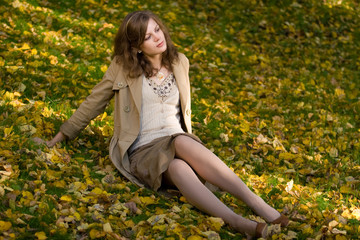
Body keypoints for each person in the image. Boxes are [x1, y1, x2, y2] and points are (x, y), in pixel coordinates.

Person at [45, 10, 289, 238]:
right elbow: (92, 104)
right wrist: (61, 136)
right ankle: (238, 222)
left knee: (181, 162)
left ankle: (256, 205)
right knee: (180, 148)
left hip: (179, 143)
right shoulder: (121, 68)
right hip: (143, 151)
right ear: (136, 47)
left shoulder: (180, 62)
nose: (157, 38)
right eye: (147, 37)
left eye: (157, 30)